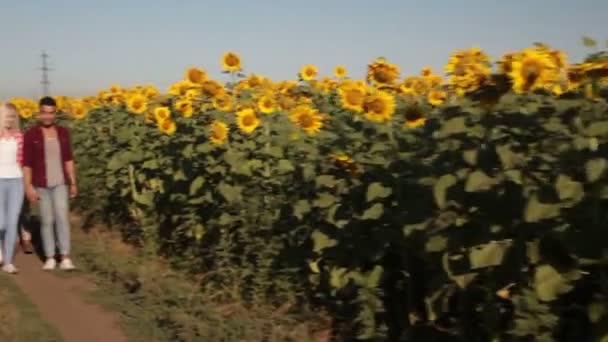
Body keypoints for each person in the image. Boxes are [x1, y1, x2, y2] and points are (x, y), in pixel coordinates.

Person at [23, 96, 77, 271]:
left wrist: (73, 182)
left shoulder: (63, 133)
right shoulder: (31, 134)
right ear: (39, 113)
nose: (47, 116)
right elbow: (27, 164)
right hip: (41, 184)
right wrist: (28, 186)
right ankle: (50, 256)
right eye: (44, 113)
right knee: (47, 220)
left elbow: (68, 159)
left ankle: (65, 256)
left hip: (60, 182)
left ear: (55, 114)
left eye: (51, 113)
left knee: (62, 218)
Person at [0, 103, 25, 274]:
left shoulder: (19, 137)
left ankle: (9, 261)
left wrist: (27, 183)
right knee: (0, 222)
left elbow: (22, 161)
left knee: (12, 221)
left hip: (16, 181)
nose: (9, 119)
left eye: (12, 116)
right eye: (6, 116)